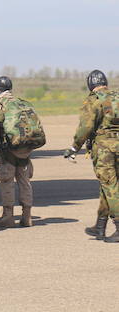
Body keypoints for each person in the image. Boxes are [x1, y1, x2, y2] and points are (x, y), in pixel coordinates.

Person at [63, 70, 119, 242]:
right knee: (107, 186)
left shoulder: (93, 100)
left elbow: (86, 127)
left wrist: (74, 147)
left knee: (110, 186)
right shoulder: (117, 96)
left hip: (104, 149)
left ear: (90, 84)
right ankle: (100, 226)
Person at [0, 75, 43, 228]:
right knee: (24, 180)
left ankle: (8, 216)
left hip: (8, 149)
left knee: (7, 180)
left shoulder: (0, 104)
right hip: (25, 148)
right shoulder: (21, 102)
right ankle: (27, 216)